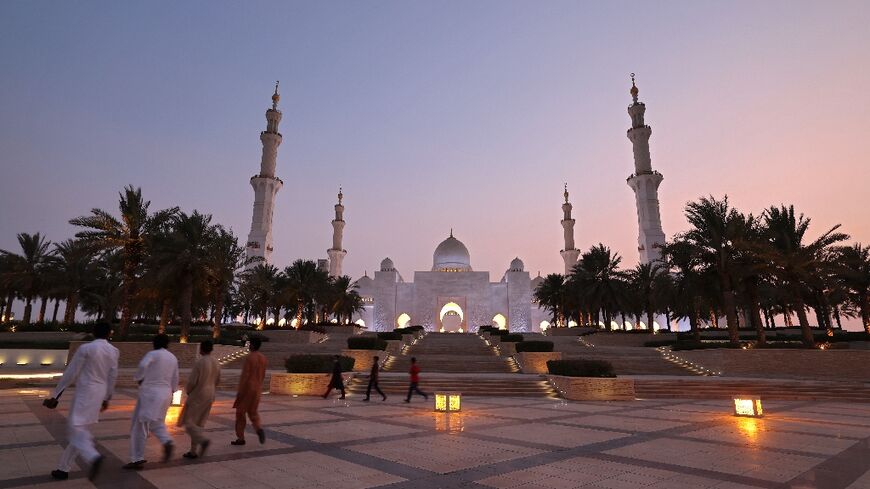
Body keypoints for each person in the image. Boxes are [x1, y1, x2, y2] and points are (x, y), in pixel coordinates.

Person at [45, 323, 118, 481]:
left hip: (86, 392)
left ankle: (93, 457)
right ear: (109, 334)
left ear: (93, 333)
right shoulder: (114, 351)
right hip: (99, 392)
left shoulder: (86, 349)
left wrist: (56, 394)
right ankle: (63, 468)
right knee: (80, 430)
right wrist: (107, 398)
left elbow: (71, 372)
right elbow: (113, 376)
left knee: (74, 428)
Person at [124, 334, 179, 470]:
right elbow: (175, 377)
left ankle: (137, 458)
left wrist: (139, 378)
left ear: (154, 343)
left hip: (150, 394)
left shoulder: (152, 354)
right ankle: (167, 441)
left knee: (139, 426)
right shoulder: (172, 357)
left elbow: (143, 365)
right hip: (165, 394)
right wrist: (172, 391)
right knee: (157, 422)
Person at [179, 340, 220, 459]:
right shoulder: (216, 362)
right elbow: (217, 380)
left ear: (201, 349)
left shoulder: (200, 362)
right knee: (199, 423)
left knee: (188, 421)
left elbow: (192, 382)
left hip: (199, 394)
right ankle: (193, 451)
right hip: (210, 394)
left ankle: (202, 441)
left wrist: (189, 391)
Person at [232, 336, 266, 446]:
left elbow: (245, 376)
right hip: (257, 389)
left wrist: (240, 391)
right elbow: (263, 375)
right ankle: (259, 428)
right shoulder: (263, 358)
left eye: (250, 344)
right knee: (253, 412)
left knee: (240, 413)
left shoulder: (250, 358)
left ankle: (240, 438)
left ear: (252, 345)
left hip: (248, 389)